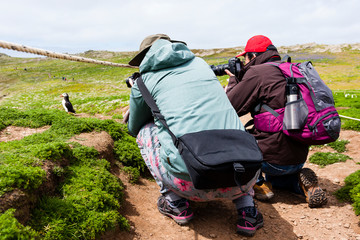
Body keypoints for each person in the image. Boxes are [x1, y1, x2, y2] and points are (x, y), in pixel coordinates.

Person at [126, 34, 263, 236]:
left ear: (145, 57)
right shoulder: (201, 65)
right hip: (244, 174)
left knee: (145, 131)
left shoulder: (143, 81)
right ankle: (246, 208)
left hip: (191, 183)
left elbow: (133, 126)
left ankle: (176, 203)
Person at [225, 35, 328, 208]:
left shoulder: (257, 73)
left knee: (236, 139)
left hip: (270, 159)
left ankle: (258, 183)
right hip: (298, 155)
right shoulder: (291, 68)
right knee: (280, 177)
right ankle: (297, 182)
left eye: (245, 57)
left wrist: (235, 79)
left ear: (253, 56)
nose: (244, 61)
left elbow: (231, 107)